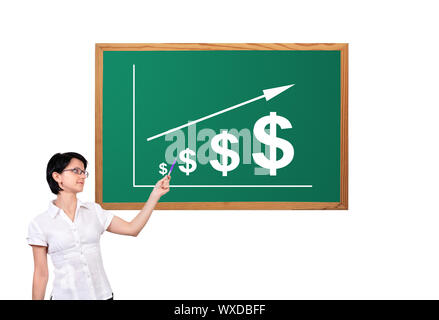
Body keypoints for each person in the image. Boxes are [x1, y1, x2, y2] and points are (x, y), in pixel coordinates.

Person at [26, 152, 171, 300]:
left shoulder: (94, 211)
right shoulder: (40, 224)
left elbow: (132, 229)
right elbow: (41, 274)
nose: (82, 176)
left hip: (103, 296)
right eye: (76, 171)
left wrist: (155, 194)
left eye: (83, 172)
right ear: (57, 177)